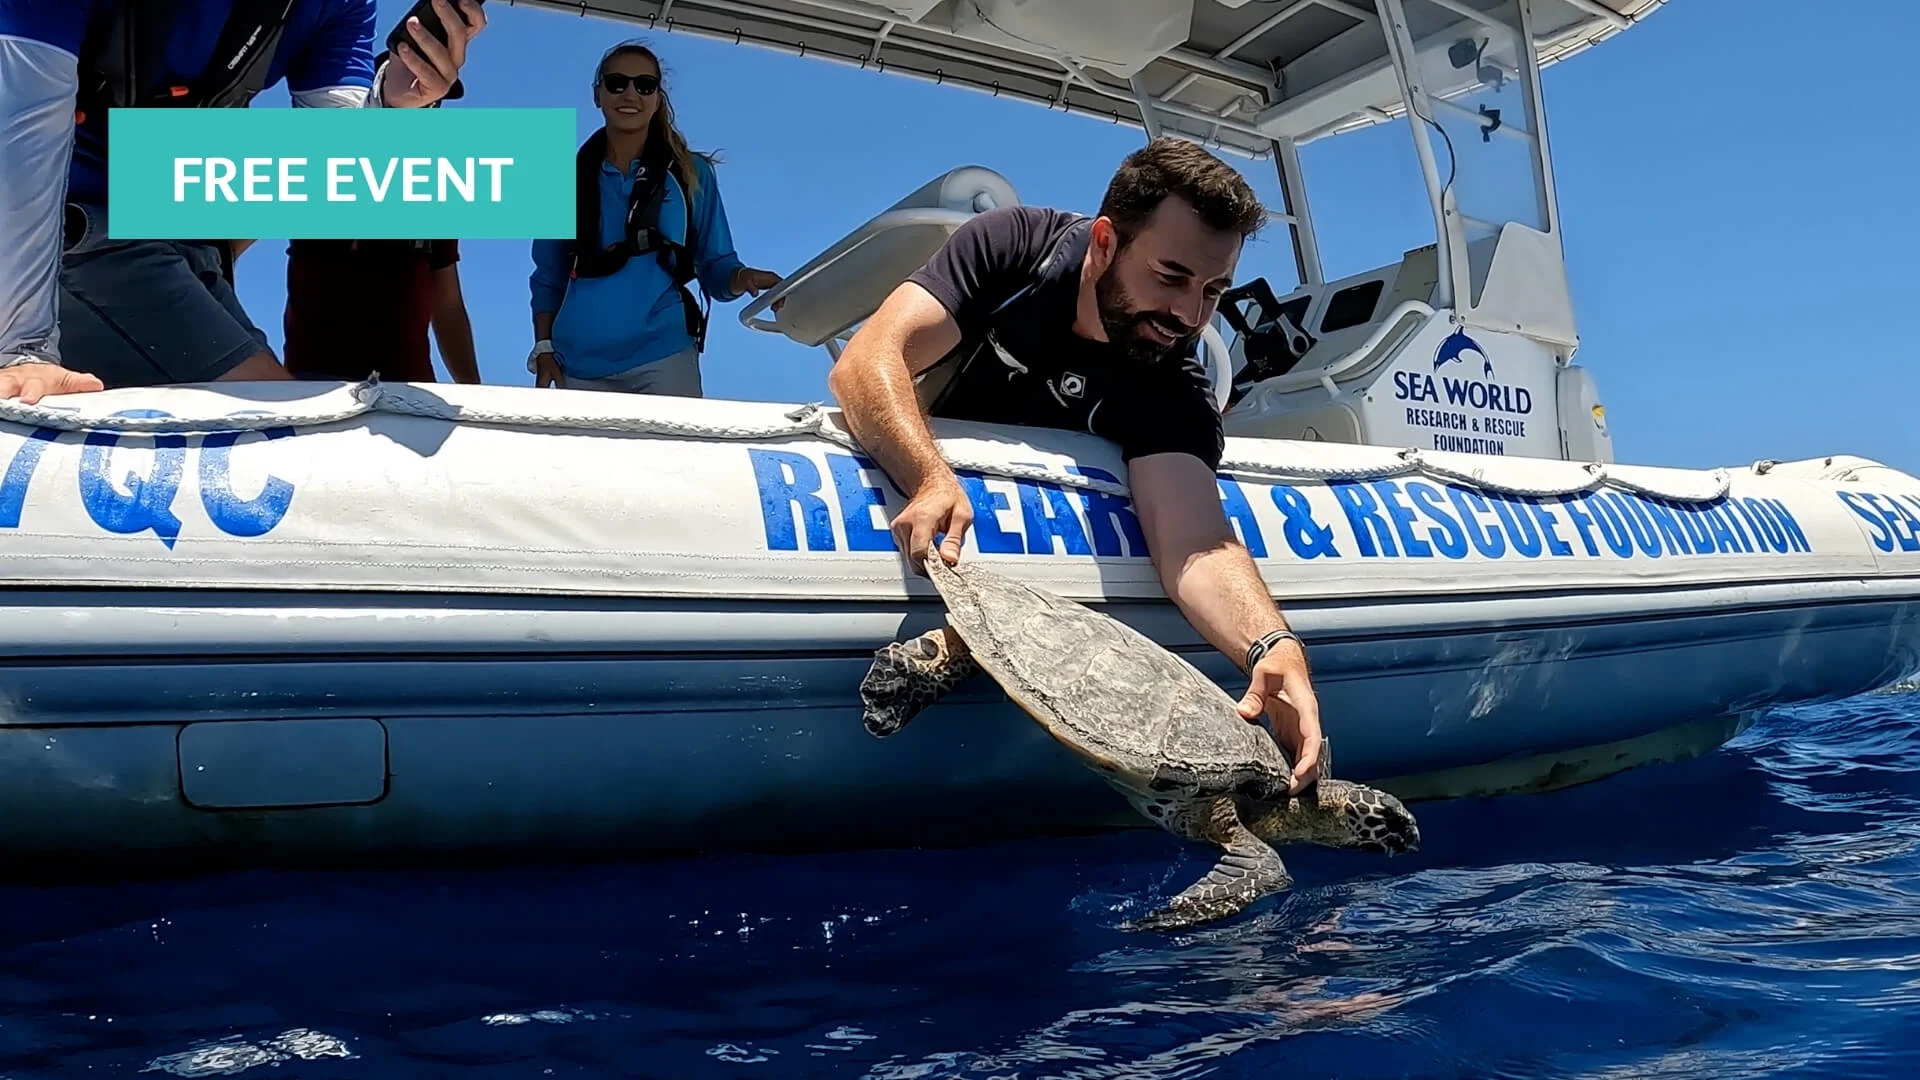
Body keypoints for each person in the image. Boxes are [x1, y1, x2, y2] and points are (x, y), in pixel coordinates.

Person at [826, 137, 1326, 795]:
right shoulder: (1016, 251)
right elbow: (867, 361)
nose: (1187, 314)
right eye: (1171, 276)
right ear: (1104, 243)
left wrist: (1271, 645)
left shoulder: (1172, 381)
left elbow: (1195, 546)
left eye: (1212, 290)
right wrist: (926, 475)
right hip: (917, 490)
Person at [0, 0, 487, 404]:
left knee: (294, 414)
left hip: (182, 246)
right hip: (72, 241)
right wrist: (21, 349)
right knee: (290, 426)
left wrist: (390, 103)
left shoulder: (340, 4)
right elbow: (21, 134)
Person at [527, 41, 780, 396]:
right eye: (617, 83)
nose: (630, 93)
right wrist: (544, 347)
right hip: (577, 364)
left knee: (675, 454)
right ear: (597, 94)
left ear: (657, 97)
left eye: (644, 85)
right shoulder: (558, 181)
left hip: (664, 357)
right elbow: (548, 278)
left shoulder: (694, 173)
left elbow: (716, 266)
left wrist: (742, 278)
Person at [282, 238, 480, 384]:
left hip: (410, 389)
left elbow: (448, 307)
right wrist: (253, 353)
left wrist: (473, 394)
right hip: (314, 387)